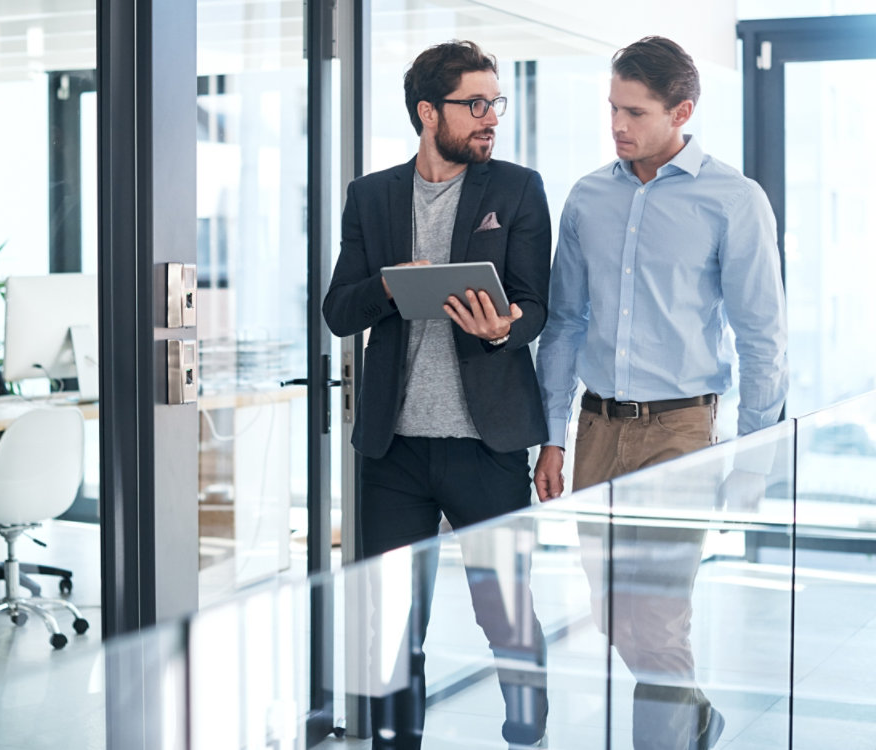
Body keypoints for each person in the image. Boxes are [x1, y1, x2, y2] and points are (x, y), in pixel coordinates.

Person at [533, 36, 789, 750]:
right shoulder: (587, 196)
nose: (618, 125)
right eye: (613, 108)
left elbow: (762, 337)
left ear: (682, 111)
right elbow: (563, 324)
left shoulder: (733, 200)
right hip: (596, 429)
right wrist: (552, 435)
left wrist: (752, 460)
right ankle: (695, 715)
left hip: (681, 434)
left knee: (660, 614)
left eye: (635, 112)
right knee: (613, 614)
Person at [323, 40, 550, 750]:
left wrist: (503, 327)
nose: (490, 118)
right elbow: (339, 311)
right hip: (394, 452)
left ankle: (527, 734)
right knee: (391, 623)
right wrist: (392, 286)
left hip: (488, 444)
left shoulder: (516, 188)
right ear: (429, 113)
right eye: (474, 104)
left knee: (505, 614)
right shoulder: (372, 196)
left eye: (495, 103)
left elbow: (536, 304)